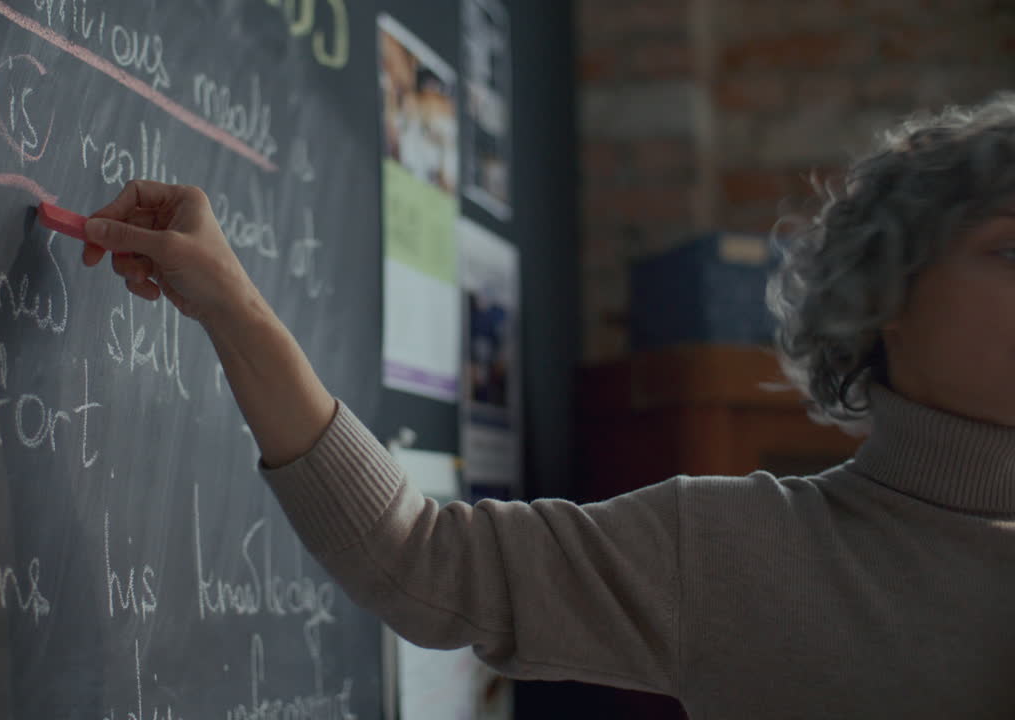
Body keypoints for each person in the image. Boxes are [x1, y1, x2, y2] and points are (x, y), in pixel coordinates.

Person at [79, 92, 1015, 719]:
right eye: (1008, 250)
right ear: (887, 295)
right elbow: (420, 563)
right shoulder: (742, 552)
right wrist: (237, 308)